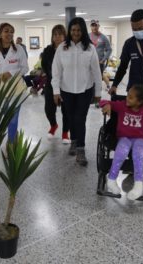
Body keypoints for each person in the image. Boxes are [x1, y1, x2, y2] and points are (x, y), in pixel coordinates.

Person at [51, 17, 102, 166]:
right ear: (69, 31)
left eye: (79, 30)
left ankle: (81, 149)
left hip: (85, 90)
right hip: (66, 90)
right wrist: (55, 91)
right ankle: (74, 141)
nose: (76, 32)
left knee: (80, 119)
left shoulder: (90, 48)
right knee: (71, 118)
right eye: (73, 30)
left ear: (83, 31)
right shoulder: (62, 48)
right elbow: (56, 71)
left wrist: (98, 92)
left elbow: (96, 72)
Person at [0, 23, 29, 145]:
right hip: (0, 88)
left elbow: (25, 68)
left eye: (12, 32)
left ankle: (11, 142)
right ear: (0, 34)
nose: (10, 34)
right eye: (6, 31)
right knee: (4, 114)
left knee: (13, 118)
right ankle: (14, 134)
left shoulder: (19, 49)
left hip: (16, 88)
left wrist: (11, 73)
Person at [42, 24, 70, 143]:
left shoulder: (69, 49)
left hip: (66, 85)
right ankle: (53, 125)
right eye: (55, 35)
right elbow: (44, 65)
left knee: (66, 110)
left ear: (65, 36)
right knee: (49, 109)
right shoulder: (48, 50)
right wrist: (52, 78)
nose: (57, 37)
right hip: (51, 84)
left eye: (60, 34)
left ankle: (65, 133)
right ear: (52, 37)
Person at [89, 20, 112, 91]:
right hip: (89, 62)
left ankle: (97, 96)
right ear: (91, 27)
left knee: (98, 79)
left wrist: (104, 59)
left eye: (96, 25)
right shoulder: (87, 36)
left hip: (99, 62)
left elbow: (109, 49)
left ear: (98, 26)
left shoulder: (103, 37)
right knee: (89, 79)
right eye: (93, 25)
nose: (94, 27)